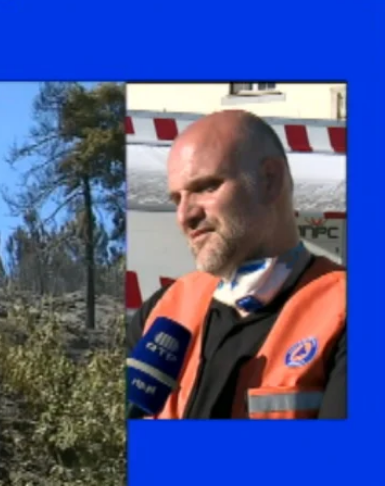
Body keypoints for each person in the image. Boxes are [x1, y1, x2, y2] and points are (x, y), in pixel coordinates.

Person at [127, 110, 346, 419]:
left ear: (270, 180)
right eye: (177, 198)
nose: (185, 216)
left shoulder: (345, 310)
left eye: (206, 187)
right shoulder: (163, 310)